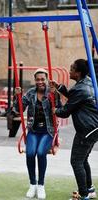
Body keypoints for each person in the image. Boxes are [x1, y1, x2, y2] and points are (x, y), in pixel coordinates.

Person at [50, 59, 98, 200]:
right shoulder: (87, 82)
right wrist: (60, 87)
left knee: (76, 161)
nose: (69, 71)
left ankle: (83, 195)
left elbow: (65, 111)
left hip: (87, 129)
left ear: (78, 73)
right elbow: (74, 97)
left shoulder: (80, 88)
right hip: (94, 127)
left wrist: (55, 110)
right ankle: (89, 189)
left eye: (71, 69)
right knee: (83, 160)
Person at [14, 68, 61, 199]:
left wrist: (55, 96)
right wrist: (16, 96)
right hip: (34, 131)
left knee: (41, 153)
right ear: (35, 80)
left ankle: (41, 185)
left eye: (42, 79)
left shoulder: (51, 92)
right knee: (30, 153)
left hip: (48, 131)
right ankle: (32, 184)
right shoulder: (30, 93)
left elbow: (60, 109)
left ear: (46, 80)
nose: (40, 81)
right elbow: (18, 109)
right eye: (37, 79)